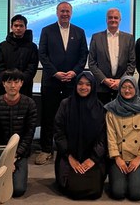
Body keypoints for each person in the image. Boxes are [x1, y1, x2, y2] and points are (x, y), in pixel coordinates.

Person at [36, 1, 89, 165]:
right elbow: (42, 55)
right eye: (62, 11)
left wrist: (74, 72)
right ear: (57, 12)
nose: (65, 14)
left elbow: (83, 55)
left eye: (67, 11)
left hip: (72, 82)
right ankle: (46, 149)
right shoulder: (47, 31)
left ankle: (68, 150)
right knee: (48, 116)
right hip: (51, 81)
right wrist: (56, 73)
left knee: (70, 117)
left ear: (71, 13)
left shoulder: (79, 32)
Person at [0, 68, 37, 197]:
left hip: (19, 155)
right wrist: (5, 158)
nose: (13, 86)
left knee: (18, 190)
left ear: (21, 83)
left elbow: (29, 134)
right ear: (3, 84)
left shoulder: (29, 104)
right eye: (9, 82)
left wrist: (15, 156)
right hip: (0, 154)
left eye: (16, 82)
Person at [53, 72, 107, 200]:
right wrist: (69, 156)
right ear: (75, 85)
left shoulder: (99, 108)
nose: (84, 87)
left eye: (88, 84)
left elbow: (103, 137)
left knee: (93, 190)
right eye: (80, 83)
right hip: (69, 154)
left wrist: (93, 159)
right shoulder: (65, 104)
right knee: (70, 187)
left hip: (92, 156)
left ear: (93, 87)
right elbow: (58, 132)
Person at [104, 76, 140, 201]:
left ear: (136, 89)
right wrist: (117, 158)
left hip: (137, 157)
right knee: (118, 193)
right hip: (118, 156)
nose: (127, 90)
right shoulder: (111, 110)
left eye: (130, 87)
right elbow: (110, 136)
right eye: (123, 87)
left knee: (135, 194)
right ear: (119, 89)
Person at [88, 8, 136, 105]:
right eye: (110, 17)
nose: (113, 20)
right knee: (101, 116)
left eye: (116, 17)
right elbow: (92, 63)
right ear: (106, 20)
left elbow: (132, 62)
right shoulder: (96, 37)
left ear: (120, 20)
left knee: (120, 116)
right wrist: (104, 80)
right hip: (101, 87)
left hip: (122, 86)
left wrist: (121, 81)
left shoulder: (129, 38)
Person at [0, 14, 38, 98]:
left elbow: (32, 67)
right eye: (16, 25)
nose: (18, 28)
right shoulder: (2, 46)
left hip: (24, 87)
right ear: (11, 27)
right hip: (4, 88)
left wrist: (19, 82)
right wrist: (10, 82)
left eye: (21, 26)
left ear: (25, 27)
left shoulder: (32, 47)